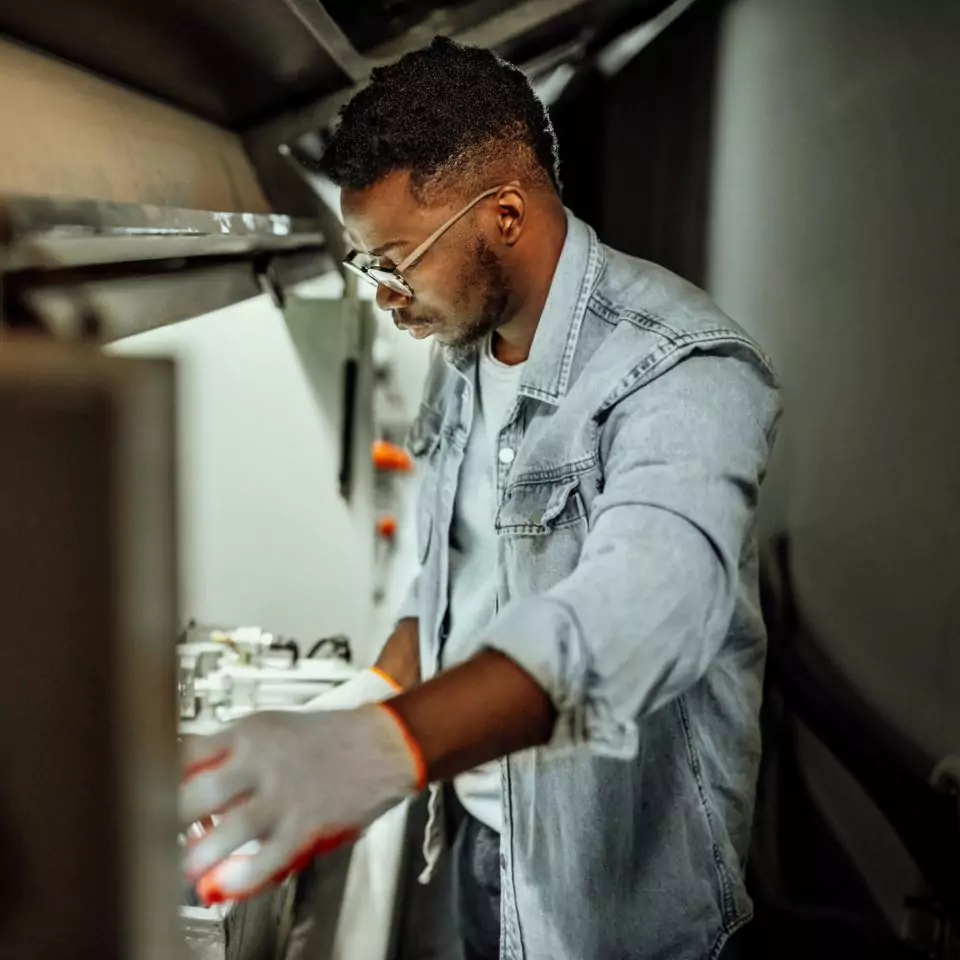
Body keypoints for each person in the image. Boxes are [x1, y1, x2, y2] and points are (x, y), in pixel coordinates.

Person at [180, 37, 781, 960]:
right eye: (366, 265)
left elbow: (645, 611)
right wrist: (367, 693)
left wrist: (383, 747)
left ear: (503, 214)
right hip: (479, 844)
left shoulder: (681, 372)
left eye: (397, 261)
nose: (385, 297)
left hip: (611, 900)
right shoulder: (461, 355)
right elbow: (453, 577)